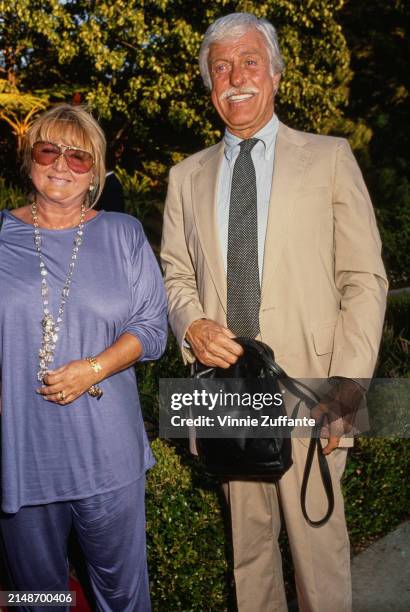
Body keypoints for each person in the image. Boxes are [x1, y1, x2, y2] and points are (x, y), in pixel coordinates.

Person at [161, 12, 388, 612]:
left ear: (276, 75)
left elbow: (364, 278)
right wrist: (191, 325)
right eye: (221, 67)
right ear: (210, 83)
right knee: (249, 553)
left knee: (319, 553)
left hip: (313, 387)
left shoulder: (331, 158)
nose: (235, 77)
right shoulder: (184, 178)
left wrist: (350, 385)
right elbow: (175, 276)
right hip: (226, 387)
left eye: (249, 63)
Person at [0, 103, 167, 611]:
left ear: (94, 171)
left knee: (121, 595)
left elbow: (153, 328)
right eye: (50, 150)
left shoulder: (123, 233)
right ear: (30, 158)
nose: (61, 165)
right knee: (38, 598)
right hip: (21, 452)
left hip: (107, 453)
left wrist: (93, 368)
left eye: (78, 157)